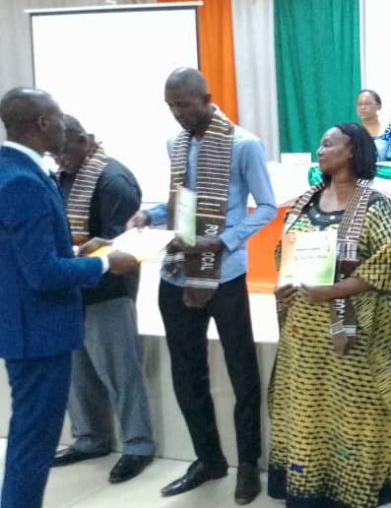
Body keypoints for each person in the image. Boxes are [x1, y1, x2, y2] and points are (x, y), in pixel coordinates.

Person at [127, 68, 276, 504]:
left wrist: (225, 240)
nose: (177, 113)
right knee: (186, 372)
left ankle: (247, 464)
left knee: (241, 372)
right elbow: (181, 201)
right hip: (177, 270)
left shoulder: (244, 144)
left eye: (184, 104)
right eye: (171, 105)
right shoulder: (175, 143)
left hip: (225, 273)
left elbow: (267, 207)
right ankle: (207, 459)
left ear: (207, 99)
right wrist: (149, 215)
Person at [0, 88, 136, 508]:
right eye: (59, 116)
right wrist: (103, 263)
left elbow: (23, 254)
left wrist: (77, 251)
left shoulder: (12, 168)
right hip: (38, 333)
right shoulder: (22, 181)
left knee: (31, 435)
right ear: (42, 122)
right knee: (33, 440)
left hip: (27, 326)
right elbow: (43, 274)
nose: (65, 124)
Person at [268, 123, 391, 508]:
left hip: (353, 338)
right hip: (304, 339)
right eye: (320, 143)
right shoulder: (305, 201)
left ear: (351, 151)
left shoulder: (376, 204)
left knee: (353, 416)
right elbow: (286, 253)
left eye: (328, 143)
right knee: (307, 413)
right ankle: (307, 490)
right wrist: (284, 284)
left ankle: (352, 492)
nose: (320, 149)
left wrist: (334, 291)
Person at [50, 115, 155, 483]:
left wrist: (86, 251)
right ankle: (90, 439)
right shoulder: (62, 176)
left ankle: (138, 445)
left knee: (121, 373)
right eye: (54, 154)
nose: (58, 159)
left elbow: (124, 244)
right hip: (70, 288)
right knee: (77, 373)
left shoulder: (114, 179)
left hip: (109, 292)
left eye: (63, 152)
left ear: (84, 139)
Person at [356, 88, 391, 161]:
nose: (363, 107)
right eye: (360, 104)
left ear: (379, 106)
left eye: (367, 103)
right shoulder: (352, 133)